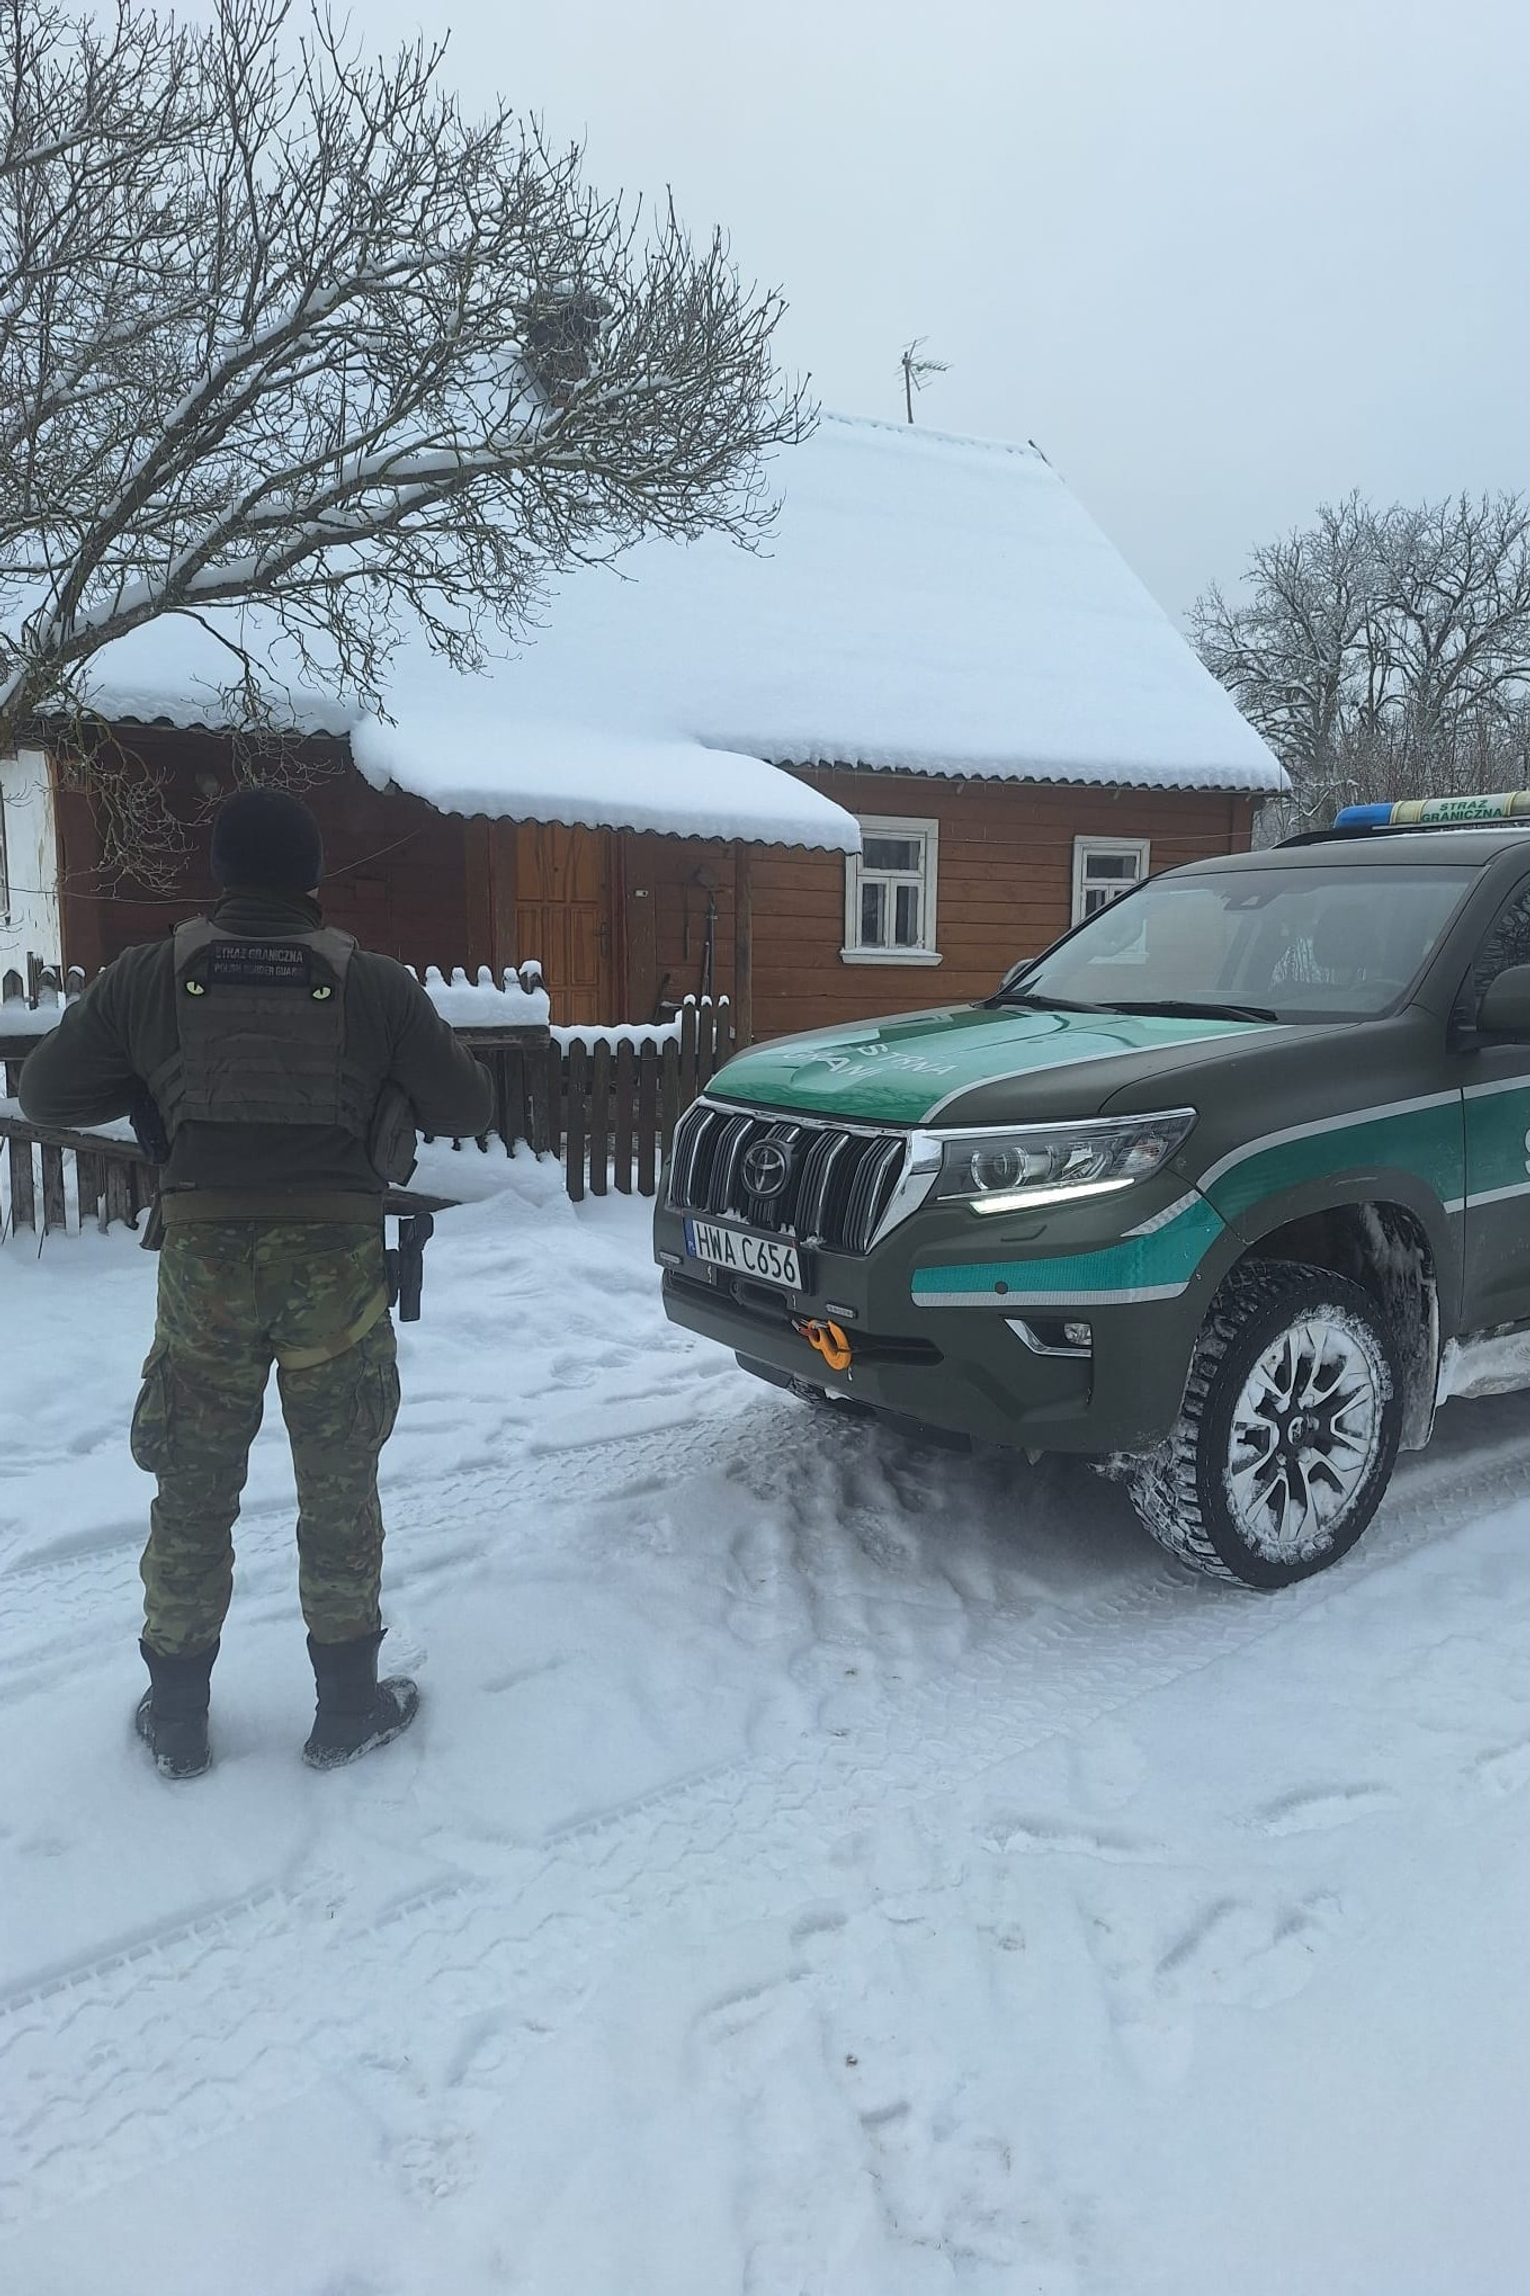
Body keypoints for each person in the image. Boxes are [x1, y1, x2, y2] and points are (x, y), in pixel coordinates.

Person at [18, 789, 493, 1780]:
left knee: (193, 1490)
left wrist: (150, 1079)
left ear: (223, 874)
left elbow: (47, 1090)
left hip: (206, 1269)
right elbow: (468, 1104)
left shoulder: (149, 975)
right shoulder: (373, 983)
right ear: (311, 876)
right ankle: (347, 1710)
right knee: (339, 1487)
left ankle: (178, 1721)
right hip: (336, 1269)